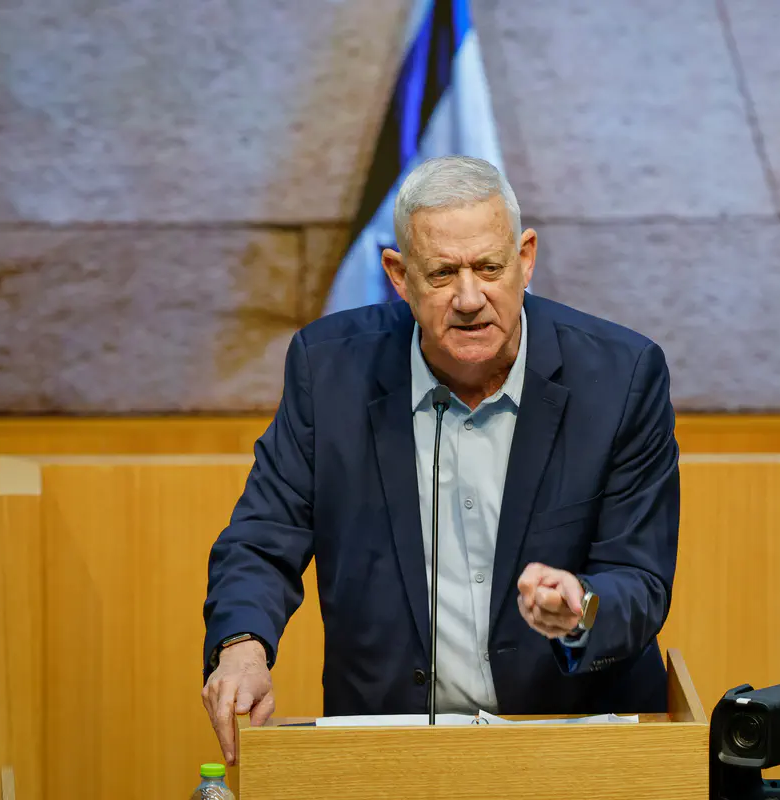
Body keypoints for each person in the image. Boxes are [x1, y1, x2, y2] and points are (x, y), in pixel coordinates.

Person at [200, 155, 679, 764]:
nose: (470, 298)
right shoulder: (329, 371)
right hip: (393, 745)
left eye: (490, 267)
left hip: (567, 740)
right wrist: (242, 646)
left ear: (526, 258)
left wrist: (581, 607)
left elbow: (640, 578)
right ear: (399, 275)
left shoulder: (621, 377)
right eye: (443, 273)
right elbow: (263, 536)